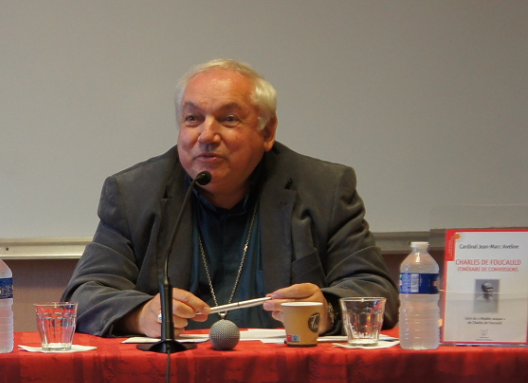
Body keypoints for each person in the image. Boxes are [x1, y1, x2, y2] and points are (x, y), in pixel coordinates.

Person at [63, 58, 398, 338]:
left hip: (291, 380)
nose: (207, 135)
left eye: (229, 119)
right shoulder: (135, 194)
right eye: (192, 118)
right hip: (172, 381)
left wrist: (325, 309)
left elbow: (377, 291)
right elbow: (83, 295)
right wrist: (139, 314)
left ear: (267, 132)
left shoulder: (324, 189)